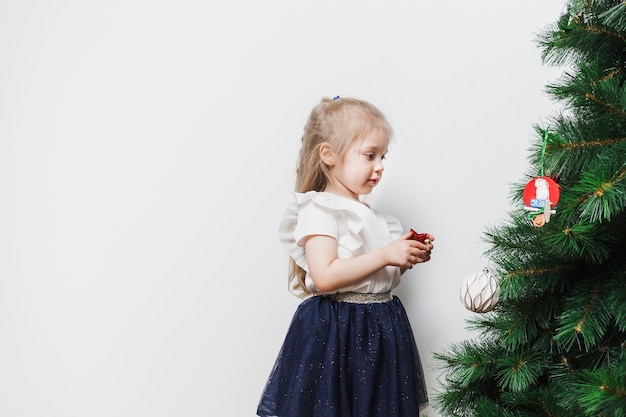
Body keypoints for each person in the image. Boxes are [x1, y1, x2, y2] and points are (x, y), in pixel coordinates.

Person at [257, 96, 434, 417]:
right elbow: (325, 276)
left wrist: (404, 255)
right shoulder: (320, 209)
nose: (379, 165)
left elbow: (371, 277)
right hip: (340, 333)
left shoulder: (369, 215)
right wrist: (385, 255)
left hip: (380, 329)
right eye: (369, 155)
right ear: (329, 155)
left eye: (383, 156)